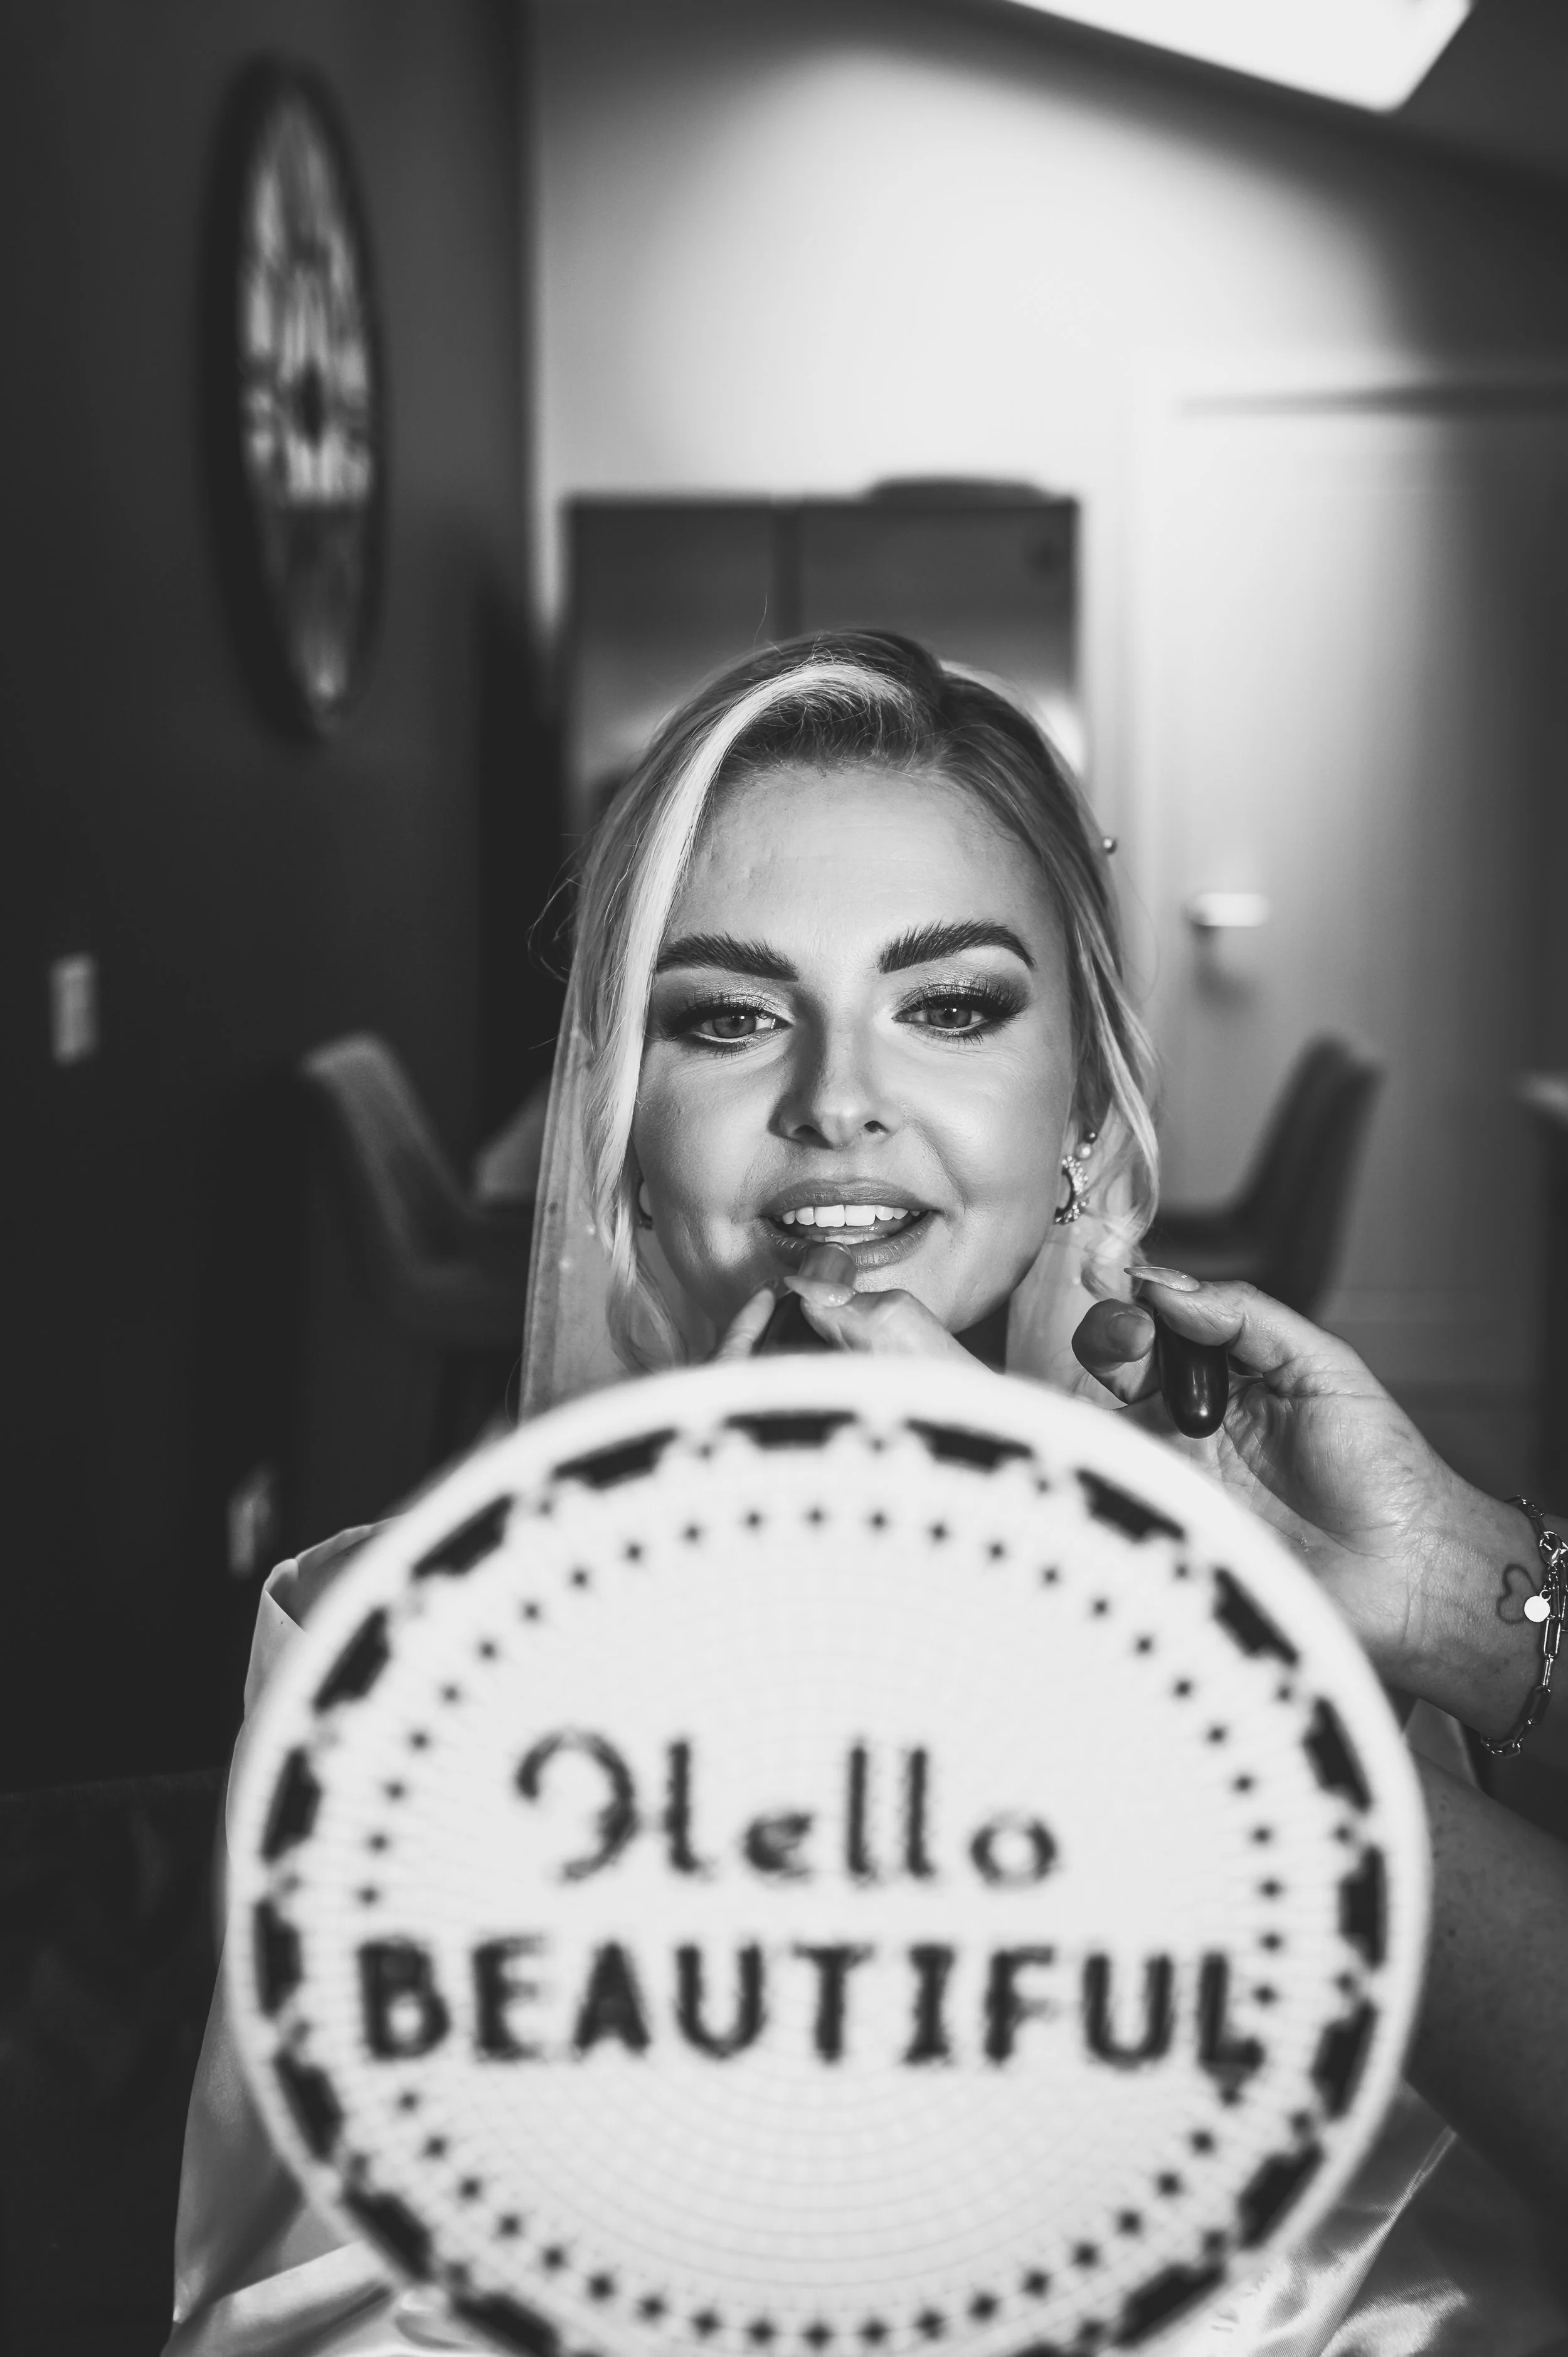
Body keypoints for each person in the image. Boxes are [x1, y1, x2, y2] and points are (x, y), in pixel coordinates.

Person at [165, 636, 1568, 2356]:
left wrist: (1438, 1597)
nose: (836, 1099)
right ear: (620, 1121)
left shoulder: (1280, 1593)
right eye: (728, 1015)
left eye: (952, 1004)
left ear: (1082, 1101)